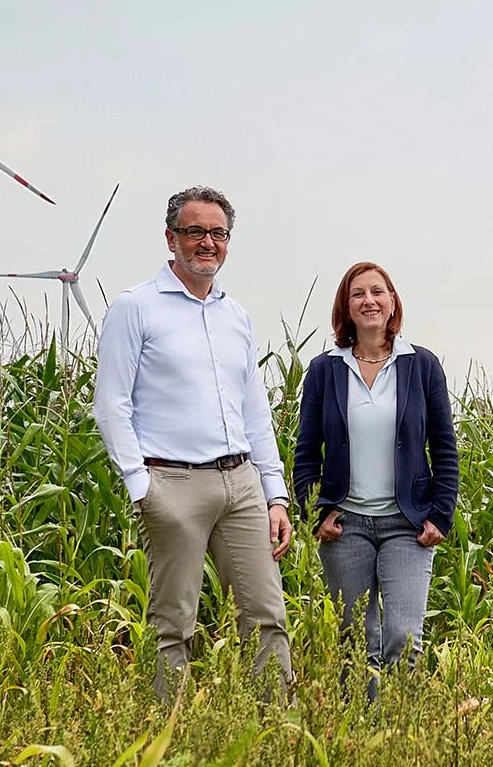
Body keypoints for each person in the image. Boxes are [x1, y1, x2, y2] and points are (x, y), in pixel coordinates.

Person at [93, 185, 293, 702]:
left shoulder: (236, 316)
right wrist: (143, 487)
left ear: (229, 241)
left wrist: (275, 493)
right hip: (172, 482)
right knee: (174, 622)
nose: (208, 242)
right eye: (195, 231)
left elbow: (255, 410)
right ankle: (170, 733)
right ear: (171, 237)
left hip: (242, 483)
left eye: (218, 233)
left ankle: (277, 730)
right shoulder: (136, 308)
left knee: (267, 613)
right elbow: (112, 404)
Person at [293, 262, 458, 700]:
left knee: (404, 638)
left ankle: (400, 737)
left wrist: (441, 515)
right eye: (357, 294)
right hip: (345, 525)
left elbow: (444, 447)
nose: (369, 301)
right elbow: (306, 450)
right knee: (355, 640)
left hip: (407, 524)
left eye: (377, 292)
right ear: (345, 309)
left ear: (392, 303)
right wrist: (315, 513)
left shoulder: (421, 366)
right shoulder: (325, 369)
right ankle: (360, 734)